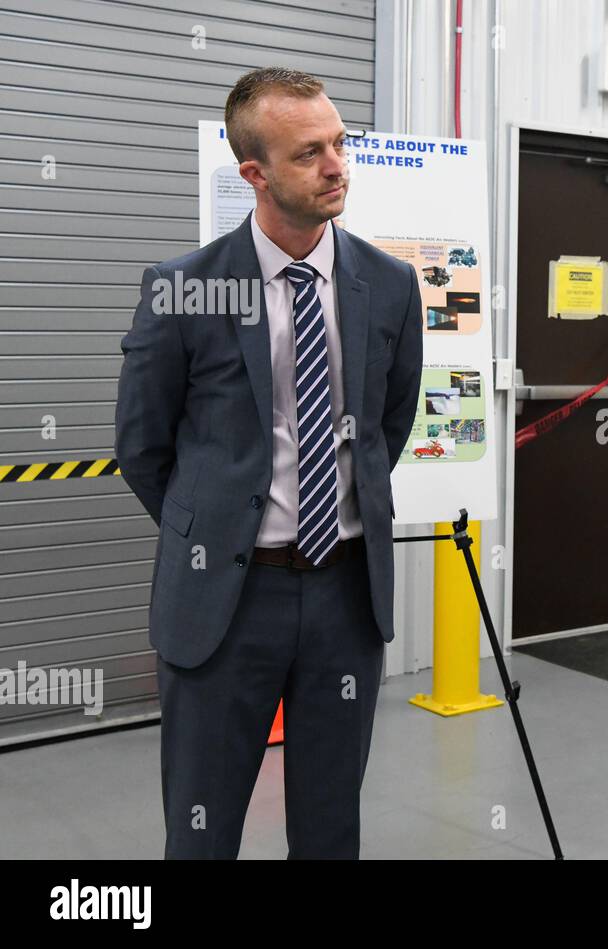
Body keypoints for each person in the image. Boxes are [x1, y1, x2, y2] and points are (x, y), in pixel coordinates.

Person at [115, 67, 422, 857]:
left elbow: (388, 422)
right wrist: (216, 532)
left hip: (346, 600)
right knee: (202, 828)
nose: (336, 165)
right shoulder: (181, 289)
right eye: (309, 152)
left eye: (340, 143)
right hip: (225, 600)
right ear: (253, 173)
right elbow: (144, 448)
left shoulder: (387, 286)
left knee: (328, 830)